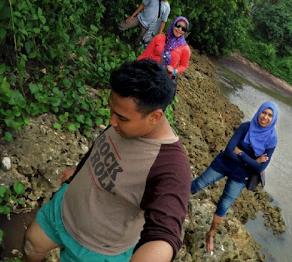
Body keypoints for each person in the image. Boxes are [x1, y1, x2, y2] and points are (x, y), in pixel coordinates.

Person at [23, 59, 191, 262]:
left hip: (98, 250)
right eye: (112, 110)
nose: (112, 121)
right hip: (63, 209)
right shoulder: (127, 123)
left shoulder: (171, 167)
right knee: (31, 245)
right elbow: (103, 147)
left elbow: (164, 233)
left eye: (121, 117)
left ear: (154, 116)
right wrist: (77, 171)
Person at [191, 101, 279, 253]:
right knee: (199, 184)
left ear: (274, 118)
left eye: (270, 115)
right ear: (259, 112)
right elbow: (228, 150)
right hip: (224, 163)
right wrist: (251, 161)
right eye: (264, 112)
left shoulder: (272, 140)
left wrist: (241, 153)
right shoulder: (246, 127)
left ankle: (210, 234)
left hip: (240, 176)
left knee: (224, 205)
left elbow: (260, 167)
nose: (265, 117)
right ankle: (173, 199)